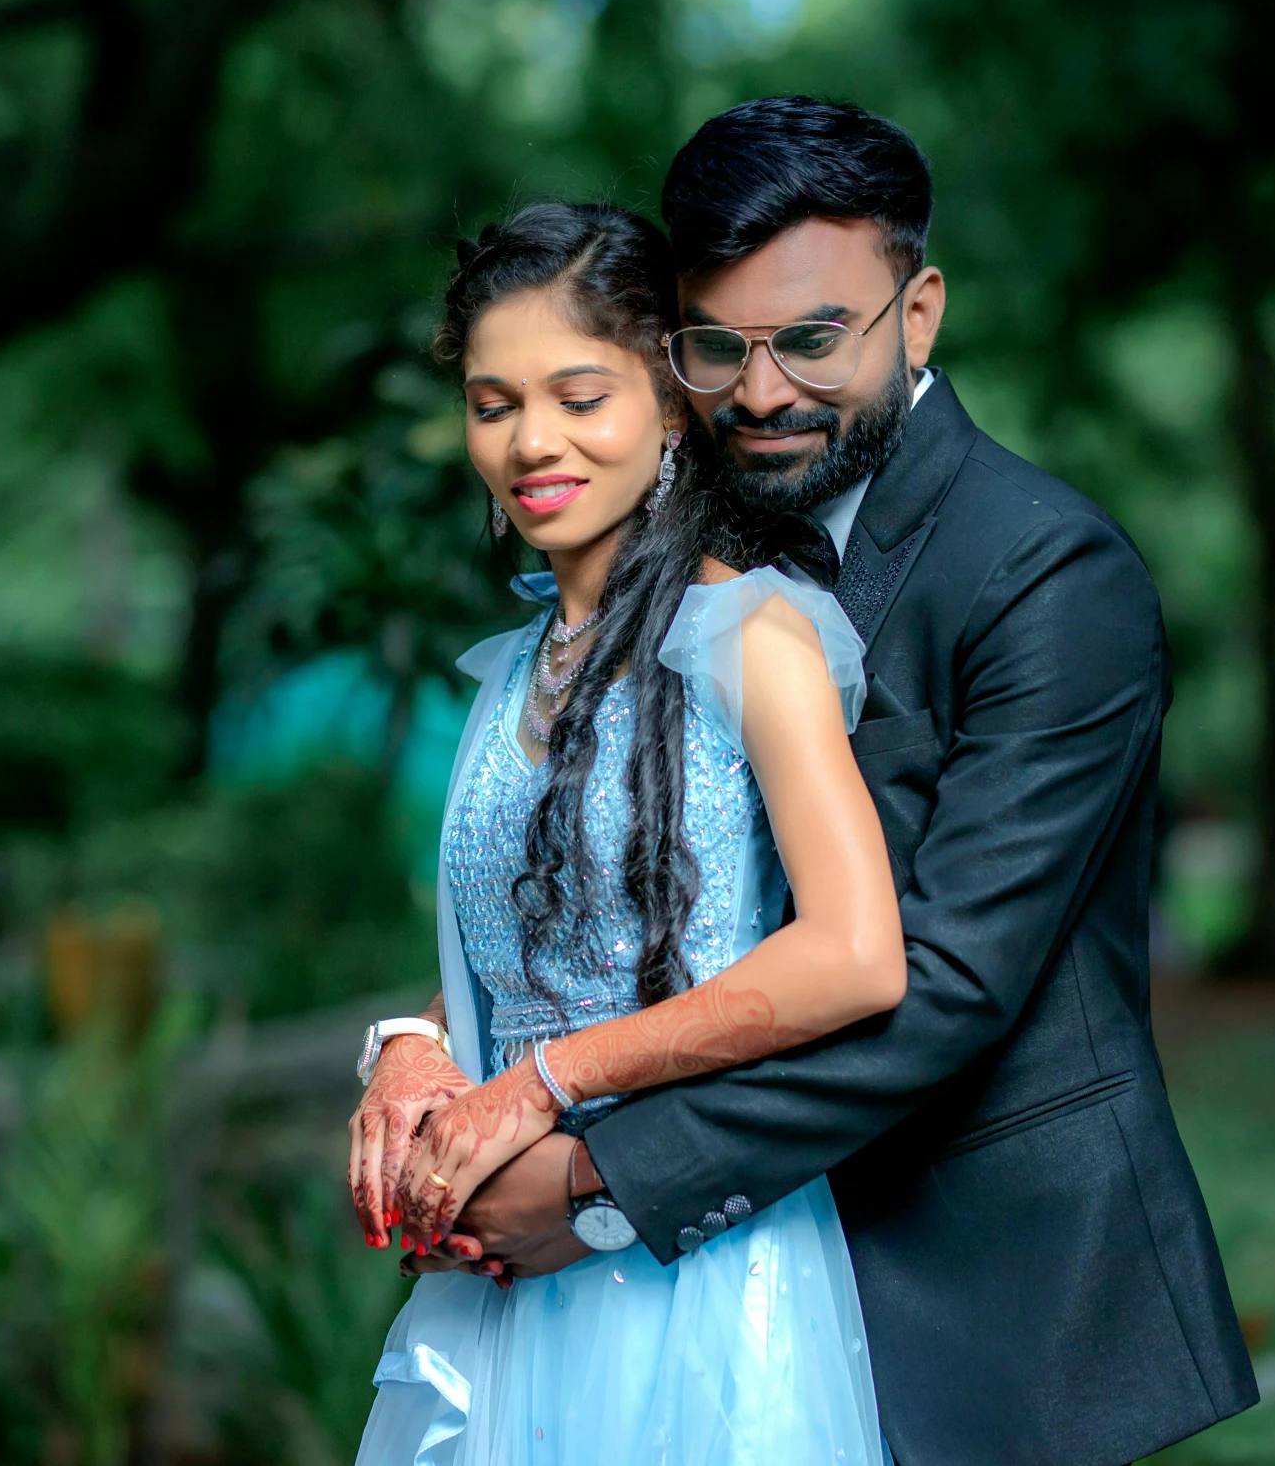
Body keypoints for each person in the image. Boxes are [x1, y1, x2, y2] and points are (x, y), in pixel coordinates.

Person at [370, 98, 1260, 1466]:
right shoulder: (672, 534)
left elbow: (946, 979)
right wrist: (420, 1036)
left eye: (811, 339)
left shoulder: (1046, 577)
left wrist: (600, 1173)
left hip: (964, 1280)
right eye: (720, 347)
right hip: (675, 1295)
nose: (766, 390)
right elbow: (609, 866)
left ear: (917, 313)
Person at [347, 200, 911, 1465]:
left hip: (701, 1272)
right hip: (501, 1285)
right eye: (494, 404)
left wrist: (540, 1087)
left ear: (667, 402)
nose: (531, 441)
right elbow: (514, 951)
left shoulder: (753, 637)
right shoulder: (505, 676)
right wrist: (407, 1050)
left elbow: (856, 953)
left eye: (577, 394)